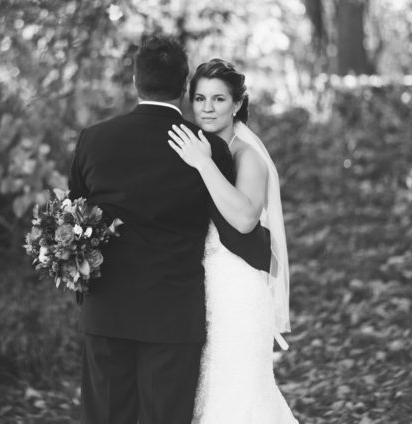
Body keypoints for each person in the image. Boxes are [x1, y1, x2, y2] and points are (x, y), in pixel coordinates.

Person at [68, 36, 270, 424]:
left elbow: (75, 216)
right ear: (183, 88)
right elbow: (230, 222)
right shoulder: (207, 148)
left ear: (134, 80)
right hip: (174, 315)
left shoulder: (93, 140)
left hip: (107, 311)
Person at [167, 58, 298, 424]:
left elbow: (243, 219)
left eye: (219, 99)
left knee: (239, 401)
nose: (207, 108)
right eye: (199, 98)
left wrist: (203, 164)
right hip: (199, 293)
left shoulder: (248, 157)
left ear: (237, 104)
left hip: (238, 296)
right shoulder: (192, 147)